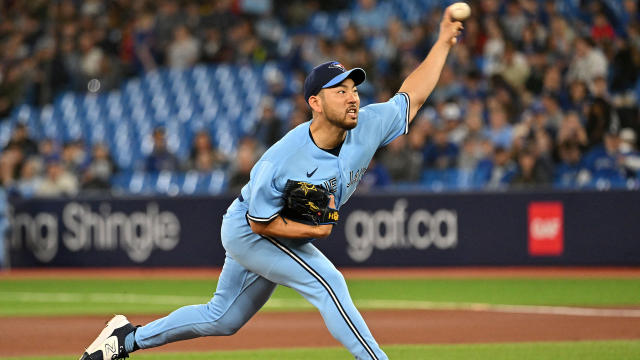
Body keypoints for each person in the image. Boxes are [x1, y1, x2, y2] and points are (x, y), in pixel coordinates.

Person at [79, 6, 462, 360]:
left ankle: (125, 339)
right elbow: (260, 223)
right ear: (315, 102)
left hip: (274, 229)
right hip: (252, 230)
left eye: (355, 89)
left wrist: (443, 41)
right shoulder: (283, 159)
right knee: (328, 282)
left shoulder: (369, 124)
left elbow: (412, 96)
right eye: (340, 90)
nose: (352, 98)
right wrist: (313, 228)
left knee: (222, 318)